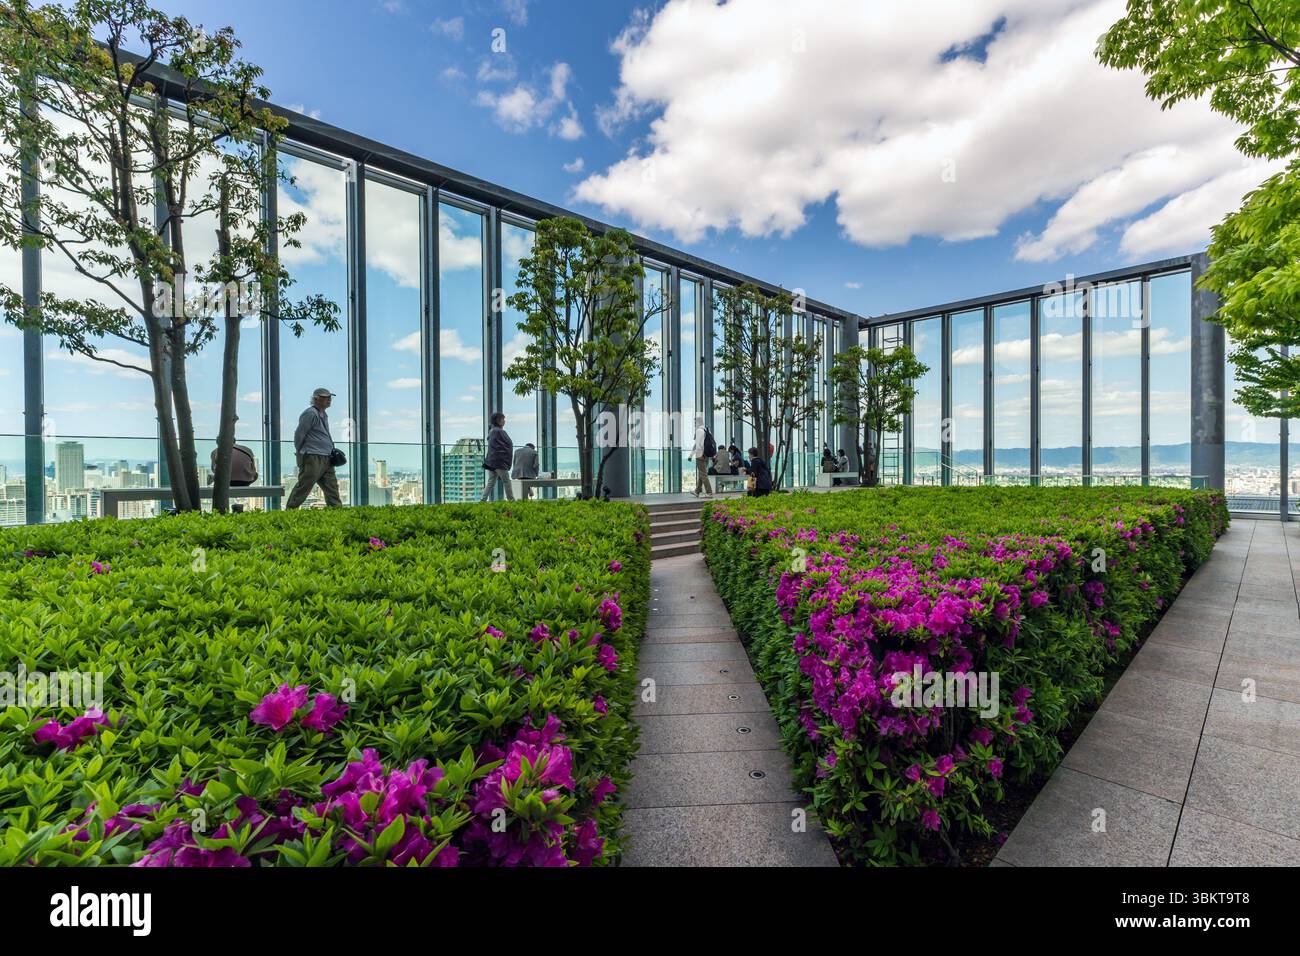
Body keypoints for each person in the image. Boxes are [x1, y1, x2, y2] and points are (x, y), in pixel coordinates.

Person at [286, 387, 342, 509]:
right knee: (305, 484)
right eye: (325, 398)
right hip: (312, 455)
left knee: (331, 486)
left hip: (326, 456)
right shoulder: (310, 413)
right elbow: (299, 434)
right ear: (316, 399)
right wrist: (300, 452)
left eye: (329, 398)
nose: (328, 400)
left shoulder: (324, 415)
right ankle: (291, 509)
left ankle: (336, 510)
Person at [480, 412, 514, 502]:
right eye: (502, 419)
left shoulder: (492, 431)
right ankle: (511, 500)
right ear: (498, 421)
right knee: (506, 481)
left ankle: (483, 500)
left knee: (491, 482)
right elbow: (508, 444)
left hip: (491, 461)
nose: (504, 421)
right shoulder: (500, 431)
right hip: (499, 461)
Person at [689, 415, 714, 498]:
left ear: (698, 422)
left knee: (703, 474)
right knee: (702, 473)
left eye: (695, 422)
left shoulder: (699, 430)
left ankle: (709, 492)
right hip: (706, 455)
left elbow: (698, 445)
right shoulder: (706, 430)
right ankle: (697, 491)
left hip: (700, 455)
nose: (694, 423)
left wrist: (691, 455)